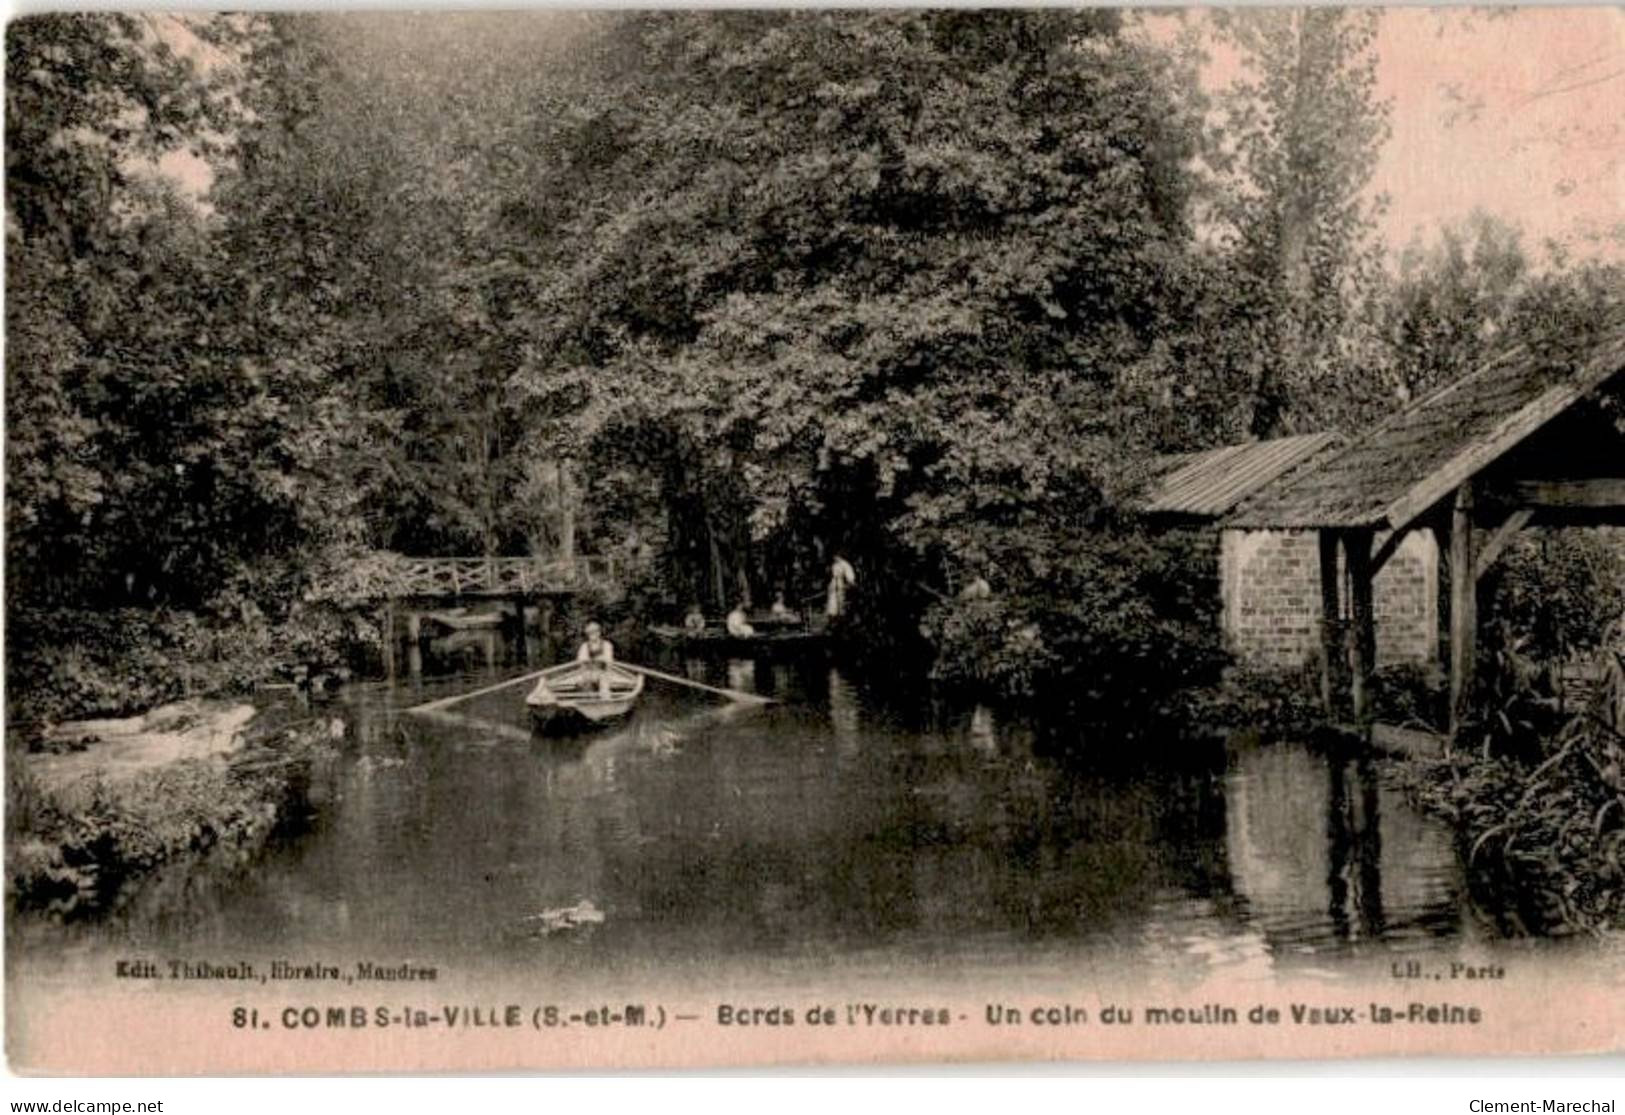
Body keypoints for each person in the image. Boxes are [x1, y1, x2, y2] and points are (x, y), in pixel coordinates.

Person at [576, 621, 615, 697]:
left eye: (594, 632)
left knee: (604, 684)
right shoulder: (584, 646)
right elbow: (581, 661)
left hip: (603, 672)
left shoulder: (607, 645)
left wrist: (602, 660)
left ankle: (606, 702)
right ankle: (590, 699)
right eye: (590, 633)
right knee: (580, 682)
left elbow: (609, 661)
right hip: (588, 672)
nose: (592, 634)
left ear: (599, 633)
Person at [826, 553, 856, 619]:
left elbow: (849, 574)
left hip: (841, 585)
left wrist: (850, 582)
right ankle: (833, 617)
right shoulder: (834, 565)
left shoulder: (845, 564)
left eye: (835, 556)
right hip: (833, 585)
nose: (834, 558)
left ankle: (841, 617)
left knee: (840, 604)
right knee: (832, 604)